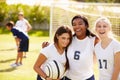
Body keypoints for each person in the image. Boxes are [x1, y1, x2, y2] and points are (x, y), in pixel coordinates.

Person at [43, 15, 99, 80]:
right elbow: (60, 44)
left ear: (86, 25)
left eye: (80, 24)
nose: (77, 26)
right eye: (74, 24)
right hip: (69, 77)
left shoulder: (94, 40)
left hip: (87, 78)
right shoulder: (70, 38)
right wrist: (48, 46)